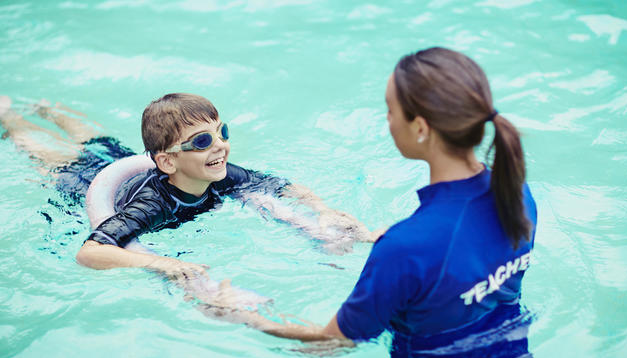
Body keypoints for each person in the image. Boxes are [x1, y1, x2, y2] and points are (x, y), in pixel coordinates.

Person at [228, 47, 538, 358]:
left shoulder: (404, 248)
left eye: (390, 110)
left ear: (420, 128)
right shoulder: (517, 193)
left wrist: (238, 312)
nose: (387, 120)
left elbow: (332, 342)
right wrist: (373, 236)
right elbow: (462, 257)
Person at [0, 94, 376, 283]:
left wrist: (324, 210)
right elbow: (91, 252)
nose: (220, 146)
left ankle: (50, 108)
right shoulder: (152, 204)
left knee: (96, 139)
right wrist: (162, 263)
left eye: (221, 132)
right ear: (167, 161)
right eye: (201, 142)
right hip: (88, 184)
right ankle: (12, 118)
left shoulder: (221, 173)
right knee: (48, 154)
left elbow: (283, 187)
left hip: (120, 163)